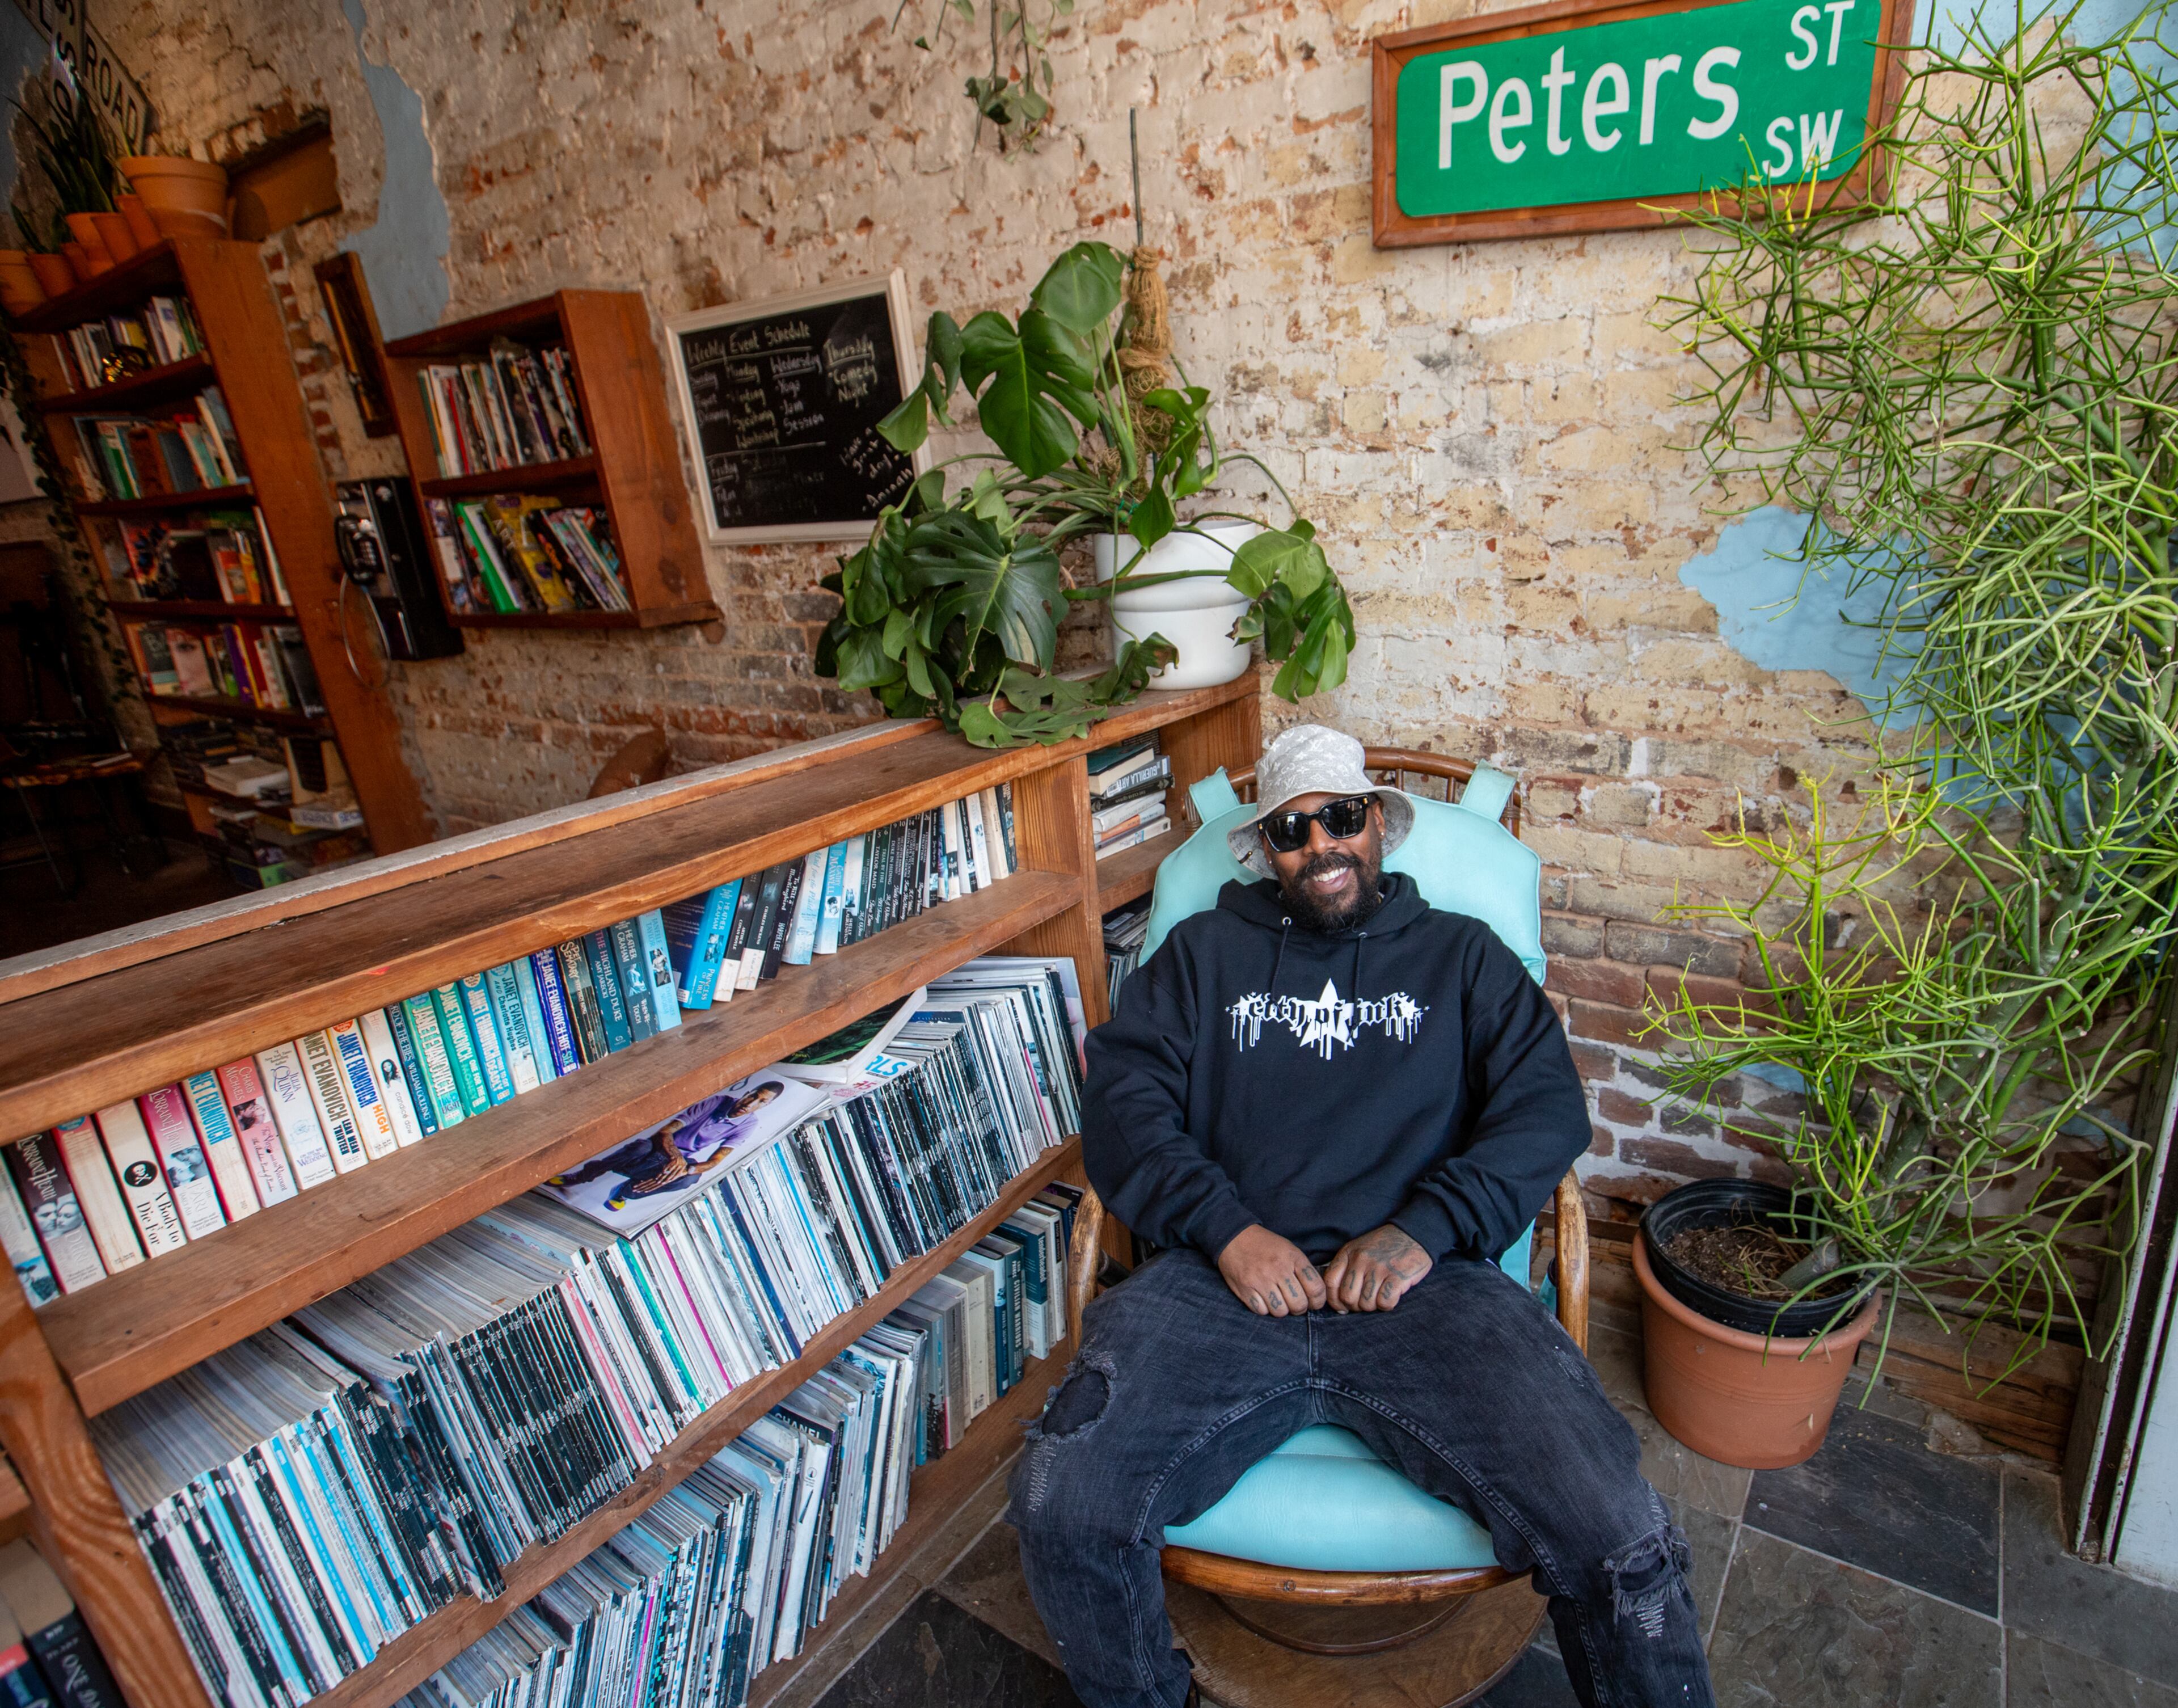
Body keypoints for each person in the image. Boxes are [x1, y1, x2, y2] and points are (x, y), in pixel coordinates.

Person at [1010, 725, 1715, 1708]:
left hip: (1432, 1294)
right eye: (1293, 831)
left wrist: (1426, 1228)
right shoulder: (1202, 954)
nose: (1321, 847)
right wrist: (1226, 1230)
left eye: (1340, 820)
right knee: (1061, 1502)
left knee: (1616, 1526)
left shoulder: (1464, 959)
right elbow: (1122, 1108)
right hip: (1220, 1290)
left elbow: (1545, 1107)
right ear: (1267, 849)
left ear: (1377, 824)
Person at [549, 1079, 786, 1209]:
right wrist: (675, 1157)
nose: (752, 1103)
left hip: (678, 1161)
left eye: (761, 1102)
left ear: (766, 1106)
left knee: (691, 1179)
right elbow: (666, 1131)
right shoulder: (718, 1101)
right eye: (753, 1096)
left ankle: (625, 1193)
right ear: (748, 1092)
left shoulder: (749, 1124)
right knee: (640, 1147)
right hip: (660, 1147)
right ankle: (582, 1176)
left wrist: (687, 1168)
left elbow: (716, 1161)